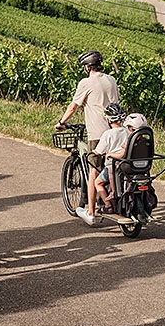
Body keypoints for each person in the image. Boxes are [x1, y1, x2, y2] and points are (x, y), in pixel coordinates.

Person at [55, 50, 119, 226]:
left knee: (94, 171)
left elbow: (73, 106)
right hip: (114, 130)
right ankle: (110, 200)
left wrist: (61, 122)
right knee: (113, 167)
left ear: (88, 67)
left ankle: (91, 213)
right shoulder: (111, 80)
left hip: (97, 133)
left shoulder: (86, 82)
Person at [91, 103, 130, 215]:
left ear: (108, 120)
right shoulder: (127, 131)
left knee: (98, 183)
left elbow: (99, 151)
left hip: (111, 167)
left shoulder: (107, 134)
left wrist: (94, 152)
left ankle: (108, 206)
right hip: (125, 166)